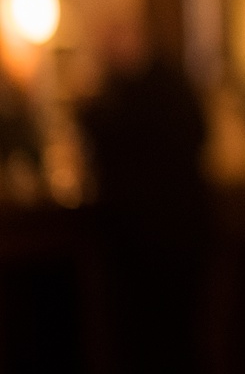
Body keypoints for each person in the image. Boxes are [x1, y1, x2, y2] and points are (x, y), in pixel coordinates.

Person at [80, 18, 212, 374]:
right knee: (167, 336)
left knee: (154, 336)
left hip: (150, 236)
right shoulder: (158, 85)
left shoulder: (130, 93)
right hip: (173, 232)